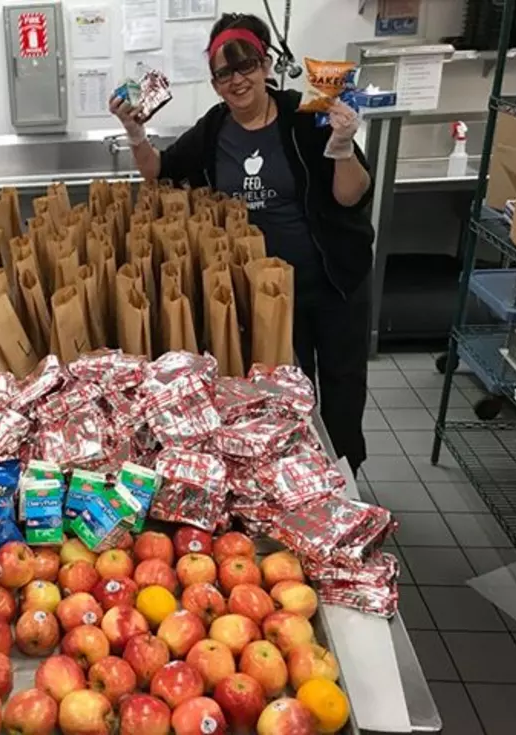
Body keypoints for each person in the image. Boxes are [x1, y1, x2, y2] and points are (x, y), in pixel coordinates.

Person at [109, 13, 373, 473]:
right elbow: (159, 170)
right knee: (286, 393)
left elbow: (350, 194)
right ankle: (298, 484)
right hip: (268, 295)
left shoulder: (307, 113)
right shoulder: (213, 130)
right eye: (224, 72)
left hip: (332, 279)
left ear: (266, 64)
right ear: (214, 83)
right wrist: (136, 135)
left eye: (246, 65)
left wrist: (345, 146)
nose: (237, 80)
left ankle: (346, 482)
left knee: (342, 386)